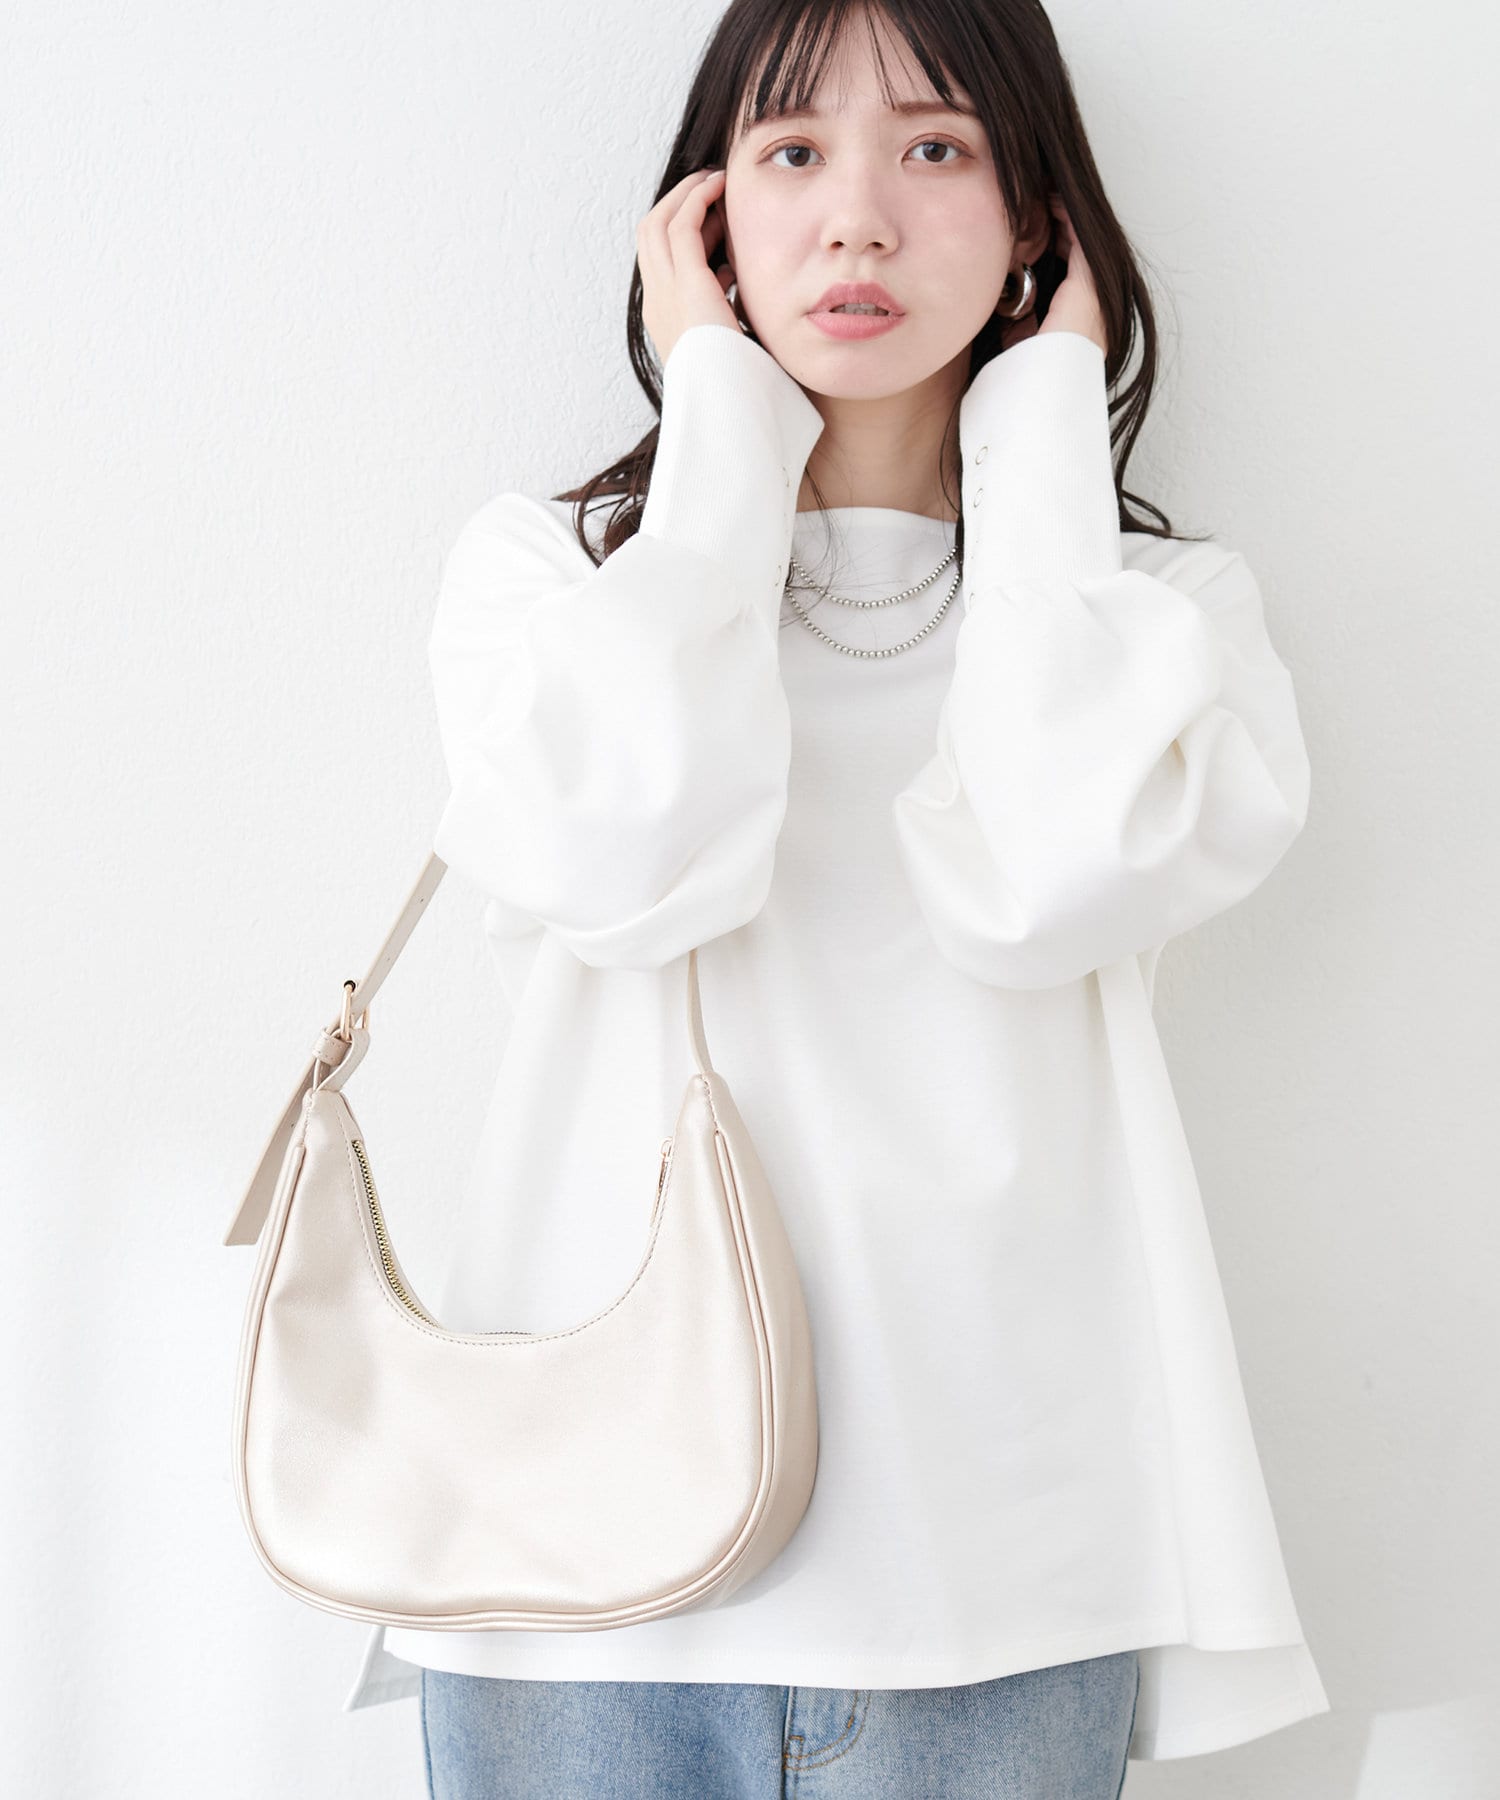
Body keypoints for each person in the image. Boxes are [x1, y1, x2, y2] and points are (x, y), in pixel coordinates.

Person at [342, 0, 1331, 1791]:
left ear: (1037, 227)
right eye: (793, 151)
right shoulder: (551, 584)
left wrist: (1041, 443)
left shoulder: (1160, 626)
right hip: (575, 1578)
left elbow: (1040, 883)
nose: (858, 218)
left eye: (936, 148)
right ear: (708, 222)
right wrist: (724, 439)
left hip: (1001, 1581)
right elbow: (636, 861)